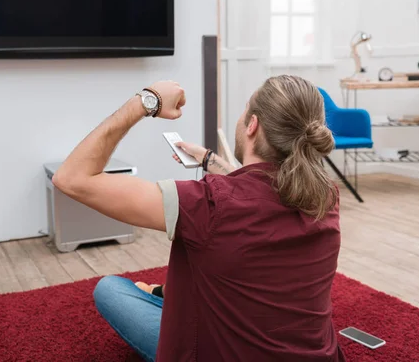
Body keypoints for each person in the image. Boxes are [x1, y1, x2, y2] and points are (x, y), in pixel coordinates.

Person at [52, 75, 345, 362]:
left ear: (252, 125)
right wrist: (207, 159)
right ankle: (162, 292)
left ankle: (163, 293)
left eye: (245, 109)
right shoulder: (326, 198)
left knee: (111, 289)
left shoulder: (206, 205)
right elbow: (258, 190)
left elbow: (71, 179)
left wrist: (145, 101)